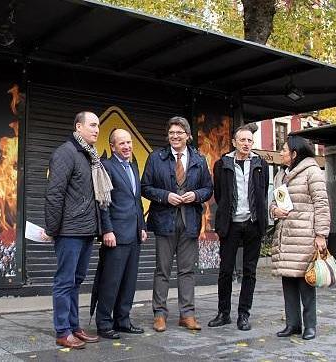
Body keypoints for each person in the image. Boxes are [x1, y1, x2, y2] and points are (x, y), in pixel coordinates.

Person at [44, 111, 113, 349]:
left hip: (85, 231)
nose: (96, 130)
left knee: (76, 280)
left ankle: (74, 326)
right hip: (69, 231)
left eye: (98, 126)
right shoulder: (66, 153)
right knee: (65, 281)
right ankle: (62, 331)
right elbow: (54, 194)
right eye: (92, 125)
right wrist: (53, 229)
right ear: (78, 127)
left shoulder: (89, 156)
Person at [141, 116, 213, 332]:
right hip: (164, 221)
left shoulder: (199, 160)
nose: (175, 136)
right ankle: (160, 314)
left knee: (187, 271)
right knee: (162, 270)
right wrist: (165, 196)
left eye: (179, 133)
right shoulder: (156, 158)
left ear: (188, 136)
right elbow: (145, 187)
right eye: (171, 133)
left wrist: (196, 195)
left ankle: (187, 314)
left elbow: (208, 189)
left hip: (189, 221)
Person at [209, 125, 269, 331]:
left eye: (249, 140)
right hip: (231, 224)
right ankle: (223, 313)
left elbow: (263, 192)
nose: (246, 144)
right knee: (225, 270)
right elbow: (219, 194)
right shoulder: (222, 164)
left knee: (249, 272)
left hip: (253, 223)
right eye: (242, 140)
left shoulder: (260, 163)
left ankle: (244, 314)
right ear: (234, 142)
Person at [270, 135, 330, 341]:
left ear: (294, 154)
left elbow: (321, 204)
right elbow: (275, 202)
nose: (281, 153)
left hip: (305, 236)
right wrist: (274, 211)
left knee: (307, 283)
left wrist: (321, 234)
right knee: (288, 282)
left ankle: (310, 326)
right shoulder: (280, 174)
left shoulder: (312, 172)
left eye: (284, 150)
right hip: (286, 236)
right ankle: (292, 324)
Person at [95, 128, 148, 339]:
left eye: (129, 143)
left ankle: (123, 320)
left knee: (128, 281)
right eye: (122, 144)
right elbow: (103, 202)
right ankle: (104, 323)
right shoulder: (106, 167)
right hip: (115, 235)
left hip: (134, 234)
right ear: (112, 147)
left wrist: (142, 227)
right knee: (111, 281)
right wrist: (107, 230)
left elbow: (136, 201)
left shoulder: (133, 166)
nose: (127, 147)